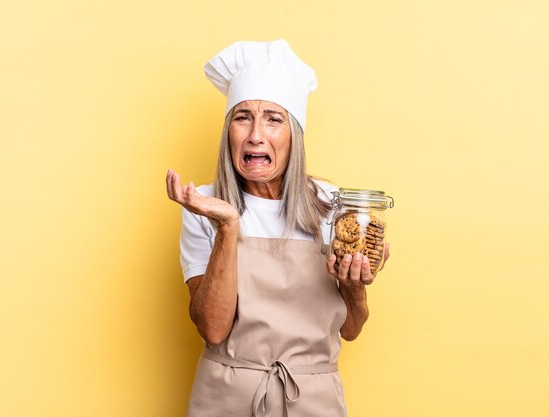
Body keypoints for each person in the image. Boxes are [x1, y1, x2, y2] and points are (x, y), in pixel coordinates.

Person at [166, 39, 390, 417]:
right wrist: (228, 226)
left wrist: (354, 287)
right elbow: (213, 330)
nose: (256, 134)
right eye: (242, 117)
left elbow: (350, 330)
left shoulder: (332, 205)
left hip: (312, 398)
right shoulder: (204, 205)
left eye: (273, 118)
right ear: (229, 133)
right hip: (225, 399)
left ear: (293, 135)